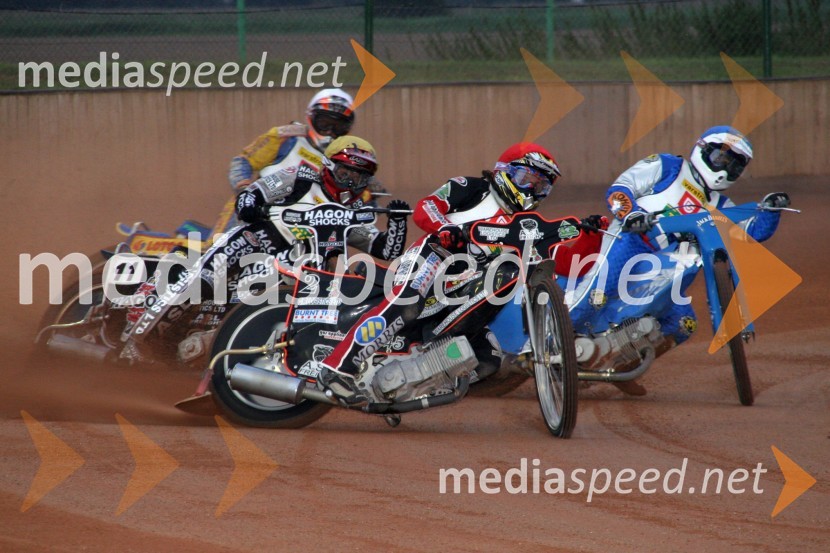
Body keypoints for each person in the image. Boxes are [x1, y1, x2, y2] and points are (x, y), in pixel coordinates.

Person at [314, 142, 606, 402]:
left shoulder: (529, 226)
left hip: (465, 288)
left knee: (489, 359)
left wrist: (593, 235)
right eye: (526, 179)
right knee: (407, 301)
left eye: (541, 186)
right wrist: (446, 230)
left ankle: (404, 386)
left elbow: (569, 263)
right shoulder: (472, 187)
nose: (531, 190)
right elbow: (426, 208)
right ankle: (337, 368)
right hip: (433, 257)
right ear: (504, 171)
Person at [120, 135, 408, 363]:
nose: (351, 181)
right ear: (329, 165)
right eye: (346, 172)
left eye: (359, 176)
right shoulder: (300, 178)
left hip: (304, 272)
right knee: (203, 281)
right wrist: (256, 208)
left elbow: (386, 250)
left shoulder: (354, 210)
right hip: (255, 242)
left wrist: (397, 222)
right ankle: (136, 343)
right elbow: (249, 196)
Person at [566, 125, 790, 386]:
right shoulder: (667, 166)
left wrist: (771, 211)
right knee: (597, 294)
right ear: (701, 149)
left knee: (683, 324)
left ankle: (622, 366)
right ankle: (549, 341)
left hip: (672, 266)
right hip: (633, 242)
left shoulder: (723, 206)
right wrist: (631, 214)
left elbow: (750, 233)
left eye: (734, 166)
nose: (725, 169)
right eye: (721, 159)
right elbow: (619, 189)